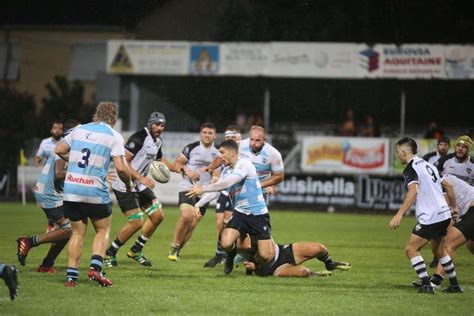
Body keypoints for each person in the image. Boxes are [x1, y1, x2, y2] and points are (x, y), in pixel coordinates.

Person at [55, 102, 133, 287]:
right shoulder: (114, 136)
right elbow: (121, 168)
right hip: (94, 190)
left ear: (96, 114)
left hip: (72, 189)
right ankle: (95, 268)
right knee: (102, 229)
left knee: (77, 233)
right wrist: (129, 184)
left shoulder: (79, 129)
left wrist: (73, 161)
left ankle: (71, 277)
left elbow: (59, 150)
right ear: (113, 118)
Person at [187, 139, 275, 275]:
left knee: (265, 256)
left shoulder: (244, 164)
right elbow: (217, 191)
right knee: (226, 243)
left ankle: (254, 263)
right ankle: (231, 254)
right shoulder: (226, 170)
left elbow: (229, 182)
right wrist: (198, 204)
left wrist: (203, 188)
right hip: (240, 213)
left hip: (258, 214)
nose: (219, 156)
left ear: (233, 152)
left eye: (222, 152)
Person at [389, 137, 462, 293]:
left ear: (403, 151)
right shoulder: (429, 165)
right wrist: (453, 207)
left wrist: (399, 214)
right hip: (443, 213)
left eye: (398, 152)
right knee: (439, 251)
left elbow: (413, 191)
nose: (398, 155)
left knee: (411, 249)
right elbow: (447, 186)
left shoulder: (411, 168)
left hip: (431, 216)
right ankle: (455, 285)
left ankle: (426, 285)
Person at [105, 112, 172, 267]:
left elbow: (161, 160)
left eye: (162, 125)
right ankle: (109, 253)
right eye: (157, 124)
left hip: (139, 186)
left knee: (158, 216)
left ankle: (136, 250)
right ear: (150, 124)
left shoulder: (158, 142)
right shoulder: (139, 137)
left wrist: (179, 169)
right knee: (136, 222)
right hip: (125, 184)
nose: (159, 128)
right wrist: (141, 178)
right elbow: (124, 162)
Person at [16, 119, 81, 273]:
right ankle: (29, 242)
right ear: (73, 133)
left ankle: (47, 265)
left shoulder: (68, 146)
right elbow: (59, 174)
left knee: (66, 231)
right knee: (69, 229)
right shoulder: (66, 146)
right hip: (49, 194)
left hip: (52, 192)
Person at [167, 122, 219, 261]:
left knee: (192, 224)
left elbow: (218, 172)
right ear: (200, 134)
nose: (207, 135)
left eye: (210, 133)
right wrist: (187, 171)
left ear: (215, 135)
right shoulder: (191, 148)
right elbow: (177, 164)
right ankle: (173, 247)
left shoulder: (218, 153)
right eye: (205, 132)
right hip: (188, 188)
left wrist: (214, 178)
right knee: (186, 216)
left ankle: (177, 250)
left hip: (204, 193)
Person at [414, 174, 474, 289]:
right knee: (471, 246)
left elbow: (446, 214)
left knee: (448, 244)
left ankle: (436, 281)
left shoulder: (441, 182)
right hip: (469, 211)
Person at [203, 125, 242, 268]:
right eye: (228, 137)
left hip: (236, 193)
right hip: (224, 191)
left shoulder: (244, 153)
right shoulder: (224, 152)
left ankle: (235, 253)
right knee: (220, 224)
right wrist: (213, 172)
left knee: (230, 224)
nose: (231, 139)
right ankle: (220, 253)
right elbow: (218, 165)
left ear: (240, 137)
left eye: (234, 136)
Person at [241, 236, 351, 277]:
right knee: (304, 272)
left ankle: (329, 263)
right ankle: (315, 274)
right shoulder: (241, 238)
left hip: (284, 251)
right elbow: (248, 263)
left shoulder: (259, 218)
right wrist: (253, 268)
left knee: (320, 248)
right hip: (274, 269)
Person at [422, 135, 451, 268]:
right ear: (437, 146)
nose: (443, 147)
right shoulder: (428, 158)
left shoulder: (451, 159)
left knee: (442, 228)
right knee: (436, 226)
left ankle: (439, 257)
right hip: (432, 196)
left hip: (446, 195)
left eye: (445, 145)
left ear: (448, 147)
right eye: (441, 144)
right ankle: (438, 256)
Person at [239, 125, 285, 199]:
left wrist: (260, 185)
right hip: (238, 190)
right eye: (252, 139)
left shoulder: (273, 153)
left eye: (257, 140)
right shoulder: (239, 146)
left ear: (264, 140)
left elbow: (280, 176)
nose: (253, 143)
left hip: (260, 193)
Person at [35, 120, 64, 232]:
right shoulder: (45, 143)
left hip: (59, 177)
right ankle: (53, 225)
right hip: (48, 176)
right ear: (51, 129)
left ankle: (56, 226)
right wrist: (38, 160)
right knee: (51, 200)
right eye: (56, 127)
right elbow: (39, 156)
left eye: (60, 128)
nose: (57, 130)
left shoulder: (64, 143)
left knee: (58, 200)